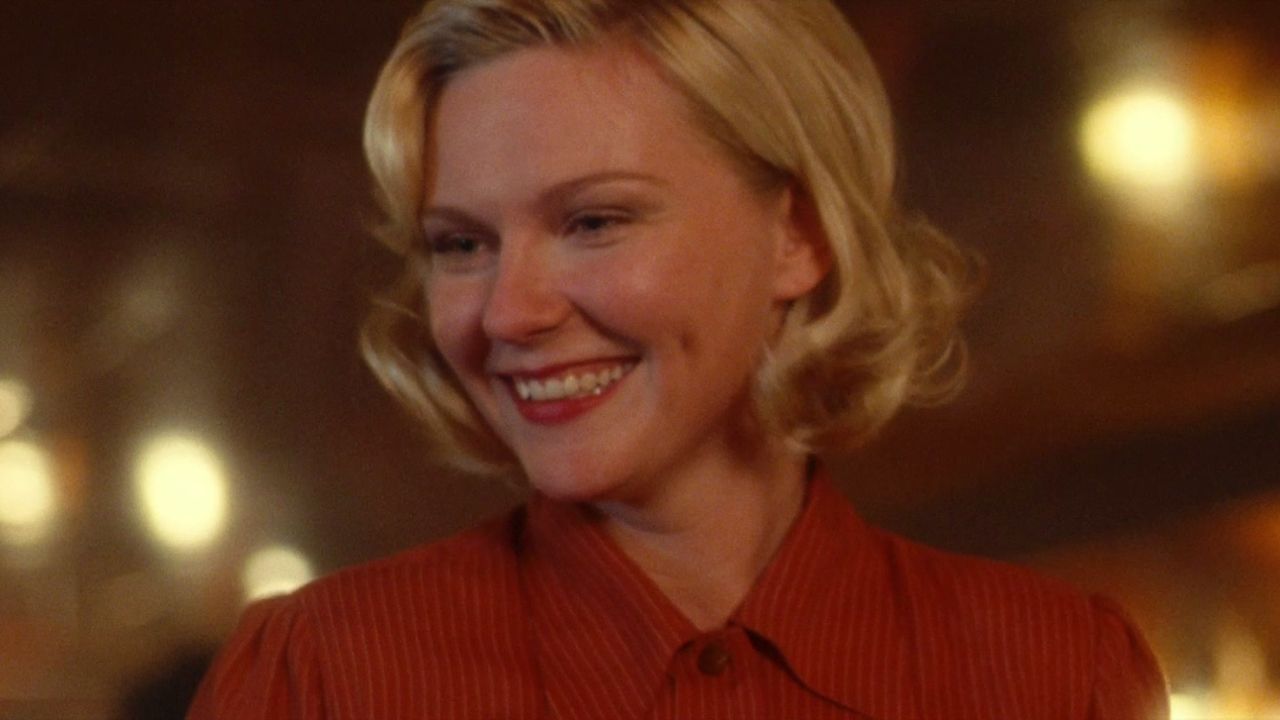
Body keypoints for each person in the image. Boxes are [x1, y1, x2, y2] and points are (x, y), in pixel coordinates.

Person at [189, 1, 1169, 718]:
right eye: (461, 244)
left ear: (798, 234)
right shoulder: (321, 678)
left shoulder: (1055, 674)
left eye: (593, 221)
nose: (507, 311)